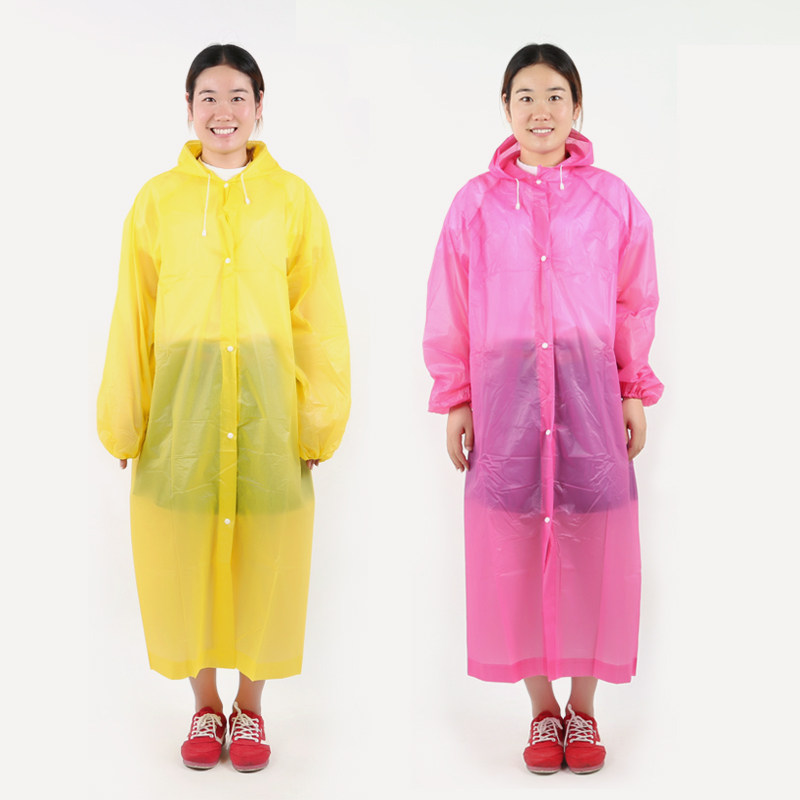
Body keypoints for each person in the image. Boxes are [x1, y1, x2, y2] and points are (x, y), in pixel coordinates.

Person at [97, 43, 350, 773]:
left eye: (238, 96)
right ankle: (206, 704)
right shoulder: (157, 202)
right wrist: (125, 418)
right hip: (183, 416)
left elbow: (317, 316)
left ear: (260, 107)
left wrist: (318, 417)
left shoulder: (293, 199)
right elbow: (134, 314)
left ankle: (252, 709)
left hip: (269, 415)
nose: (223, 111)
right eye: (208, 96)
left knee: (267, 562)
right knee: (185, 561)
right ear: (188, 108)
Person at [423, 43, 662, 775]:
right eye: (525, 96)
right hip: (508, 407)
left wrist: (631, 387)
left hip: (590, 405)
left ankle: (583, 710)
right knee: (512, 549)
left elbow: (633, 301)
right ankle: (541, 711)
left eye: (555, 96)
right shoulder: (474, 204)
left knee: (596, 550)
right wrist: (456, 397)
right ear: (505, 108)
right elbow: (452, 307)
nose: (540, 111)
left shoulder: (612, 200)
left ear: (577, 107)